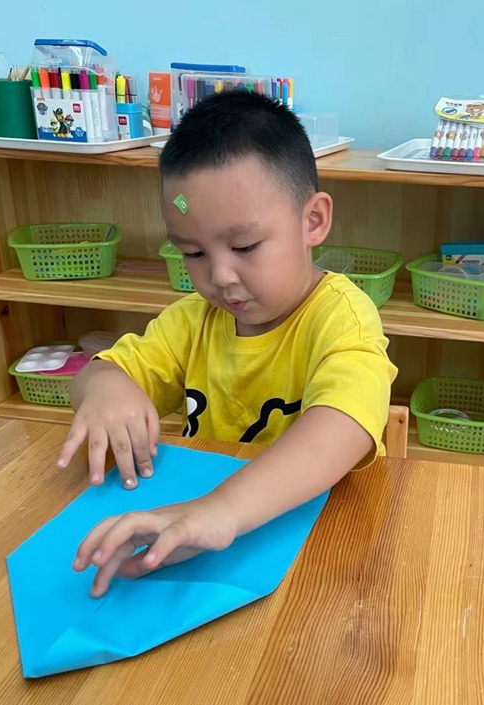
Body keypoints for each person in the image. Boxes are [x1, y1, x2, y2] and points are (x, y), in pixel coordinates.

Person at [57, 92, 397, 597]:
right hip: (207, 539)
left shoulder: (343, 319)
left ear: (313, 221)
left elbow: (341, 429)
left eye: (244, 246)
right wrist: (105, 386)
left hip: (324, 546)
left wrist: (221, 510)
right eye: (192, 252)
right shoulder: (192, 321)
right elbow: (97, 374)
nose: (219, 276)